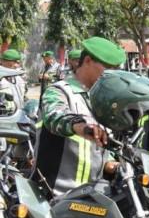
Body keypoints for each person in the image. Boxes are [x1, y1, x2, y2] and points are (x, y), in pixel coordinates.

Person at [35, 37, 126, 197]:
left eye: (115, 69)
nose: (112, 74)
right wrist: (79, 125)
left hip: (92, 195)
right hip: (55, 195)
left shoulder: (103, 98)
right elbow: (54, 116)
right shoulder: (59, 91)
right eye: (108, 67)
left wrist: (110, 161)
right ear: (88, 61)